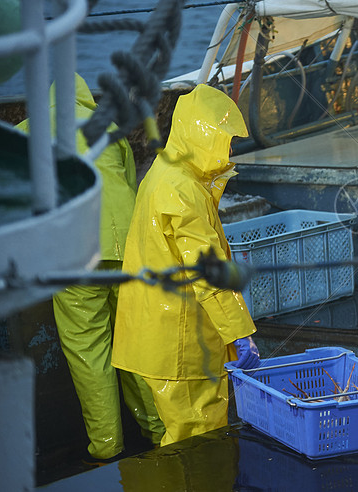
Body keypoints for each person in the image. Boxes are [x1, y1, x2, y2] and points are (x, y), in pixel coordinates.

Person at [17, 74, 165, 464]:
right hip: (126, 248)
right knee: (134, 345)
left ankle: (105, 447)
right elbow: (129, 183)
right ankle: (159, 432)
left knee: (89, 353)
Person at [112, 84, 260, 446]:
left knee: (180, 436)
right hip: (181, 343)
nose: (230, 150)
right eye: (226, 140)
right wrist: (239, 333)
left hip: (156, 334)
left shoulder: (167, 170)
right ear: (203, 135)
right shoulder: (184, 191)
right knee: (199, 442)